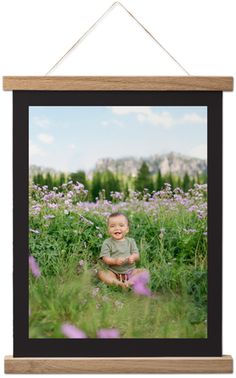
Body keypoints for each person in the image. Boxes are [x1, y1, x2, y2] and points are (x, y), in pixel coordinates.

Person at [97, 212, 146, 288]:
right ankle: (118, 284)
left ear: (127, 229)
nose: (117, 228)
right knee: (101, 273)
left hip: (131, 271)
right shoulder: (107, 242)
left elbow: (137, 256)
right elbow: (105, 259)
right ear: (108, 230)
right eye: (112, 226)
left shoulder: (131, 241)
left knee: (144, 271)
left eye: (121, 225)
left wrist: (133, 257)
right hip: (114, 272)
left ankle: (129, 282)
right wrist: (115, 261)